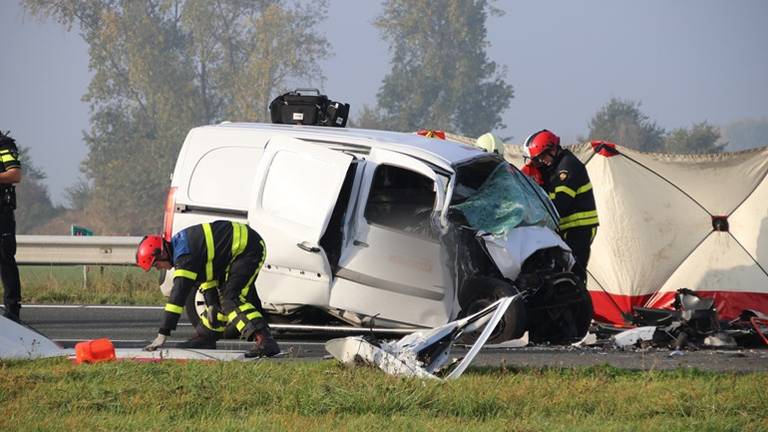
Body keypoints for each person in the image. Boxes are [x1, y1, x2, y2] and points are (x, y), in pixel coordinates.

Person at [136, 220, 280, 357]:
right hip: (235, 253)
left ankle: (265, 341)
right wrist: (211, 303)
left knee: (231, 299)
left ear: (162, 253)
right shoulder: (180, 246)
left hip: (248, 250)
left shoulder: (185, 257)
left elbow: (177, 297)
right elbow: (206, 278)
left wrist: (163, 334)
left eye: (156, 265)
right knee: (218, 302)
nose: (158, 268)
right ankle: (207, 337)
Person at [523, 129, 598, 282]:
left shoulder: (568, 167)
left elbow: (559, 205)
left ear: (553, 149)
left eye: (542, 156)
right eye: (537, 159)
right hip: (565, 229)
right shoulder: (552, 169)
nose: (541, 161)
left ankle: (581, 304)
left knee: (574, 271)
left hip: (579, 228)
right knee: (559, 272)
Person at [0, 131, 22, 322]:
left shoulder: (4, 145)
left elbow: (15, 174)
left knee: (5, 258)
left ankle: (12, 310)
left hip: (1, 213)